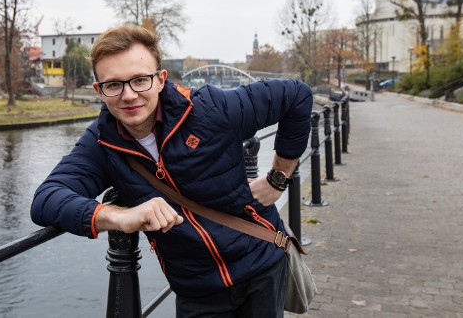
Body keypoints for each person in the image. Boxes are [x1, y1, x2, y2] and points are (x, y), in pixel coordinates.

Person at [30, 25, 312, 317]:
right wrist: (120, 216)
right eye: (113, 85)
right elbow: (46, 199)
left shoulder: (210, 109)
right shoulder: (102, 144)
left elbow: (296, 96)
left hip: (261, 265)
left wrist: (278, 179)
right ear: (99, 90)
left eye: (140, 80)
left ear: (161, 79)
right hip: (196, 288)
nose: (128, 95)